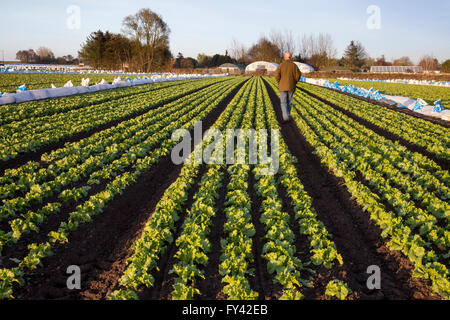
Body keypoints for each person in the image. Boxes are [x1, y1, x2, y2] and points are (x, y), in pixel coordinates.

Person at [274, 52, 301, 123]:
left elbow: (276, 75)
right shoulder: (294, 66)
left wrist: (279, 82)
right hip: (291, 87)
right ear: (290, 57)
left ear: (285, 57)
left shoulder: (280, 65)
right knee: (289, 102)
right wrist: (295, 81)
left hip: (282, 87)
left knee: (283, 102)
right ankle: (287, 115)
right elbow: (298, 75)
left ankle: (285, 116)